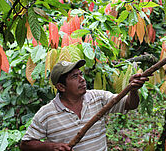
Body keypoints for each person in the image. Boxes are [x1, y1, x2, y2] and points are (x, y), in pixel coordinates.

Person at [20, 59, 149, 151]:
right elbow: (25, 145)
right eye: (74, 76)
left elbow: (129, 104)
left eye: (81, 74)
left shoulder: (98, 98)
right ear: (61, 87)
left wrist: (133, 90)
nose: (82, 79)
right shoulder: (46, 113)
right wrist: (52, 146)